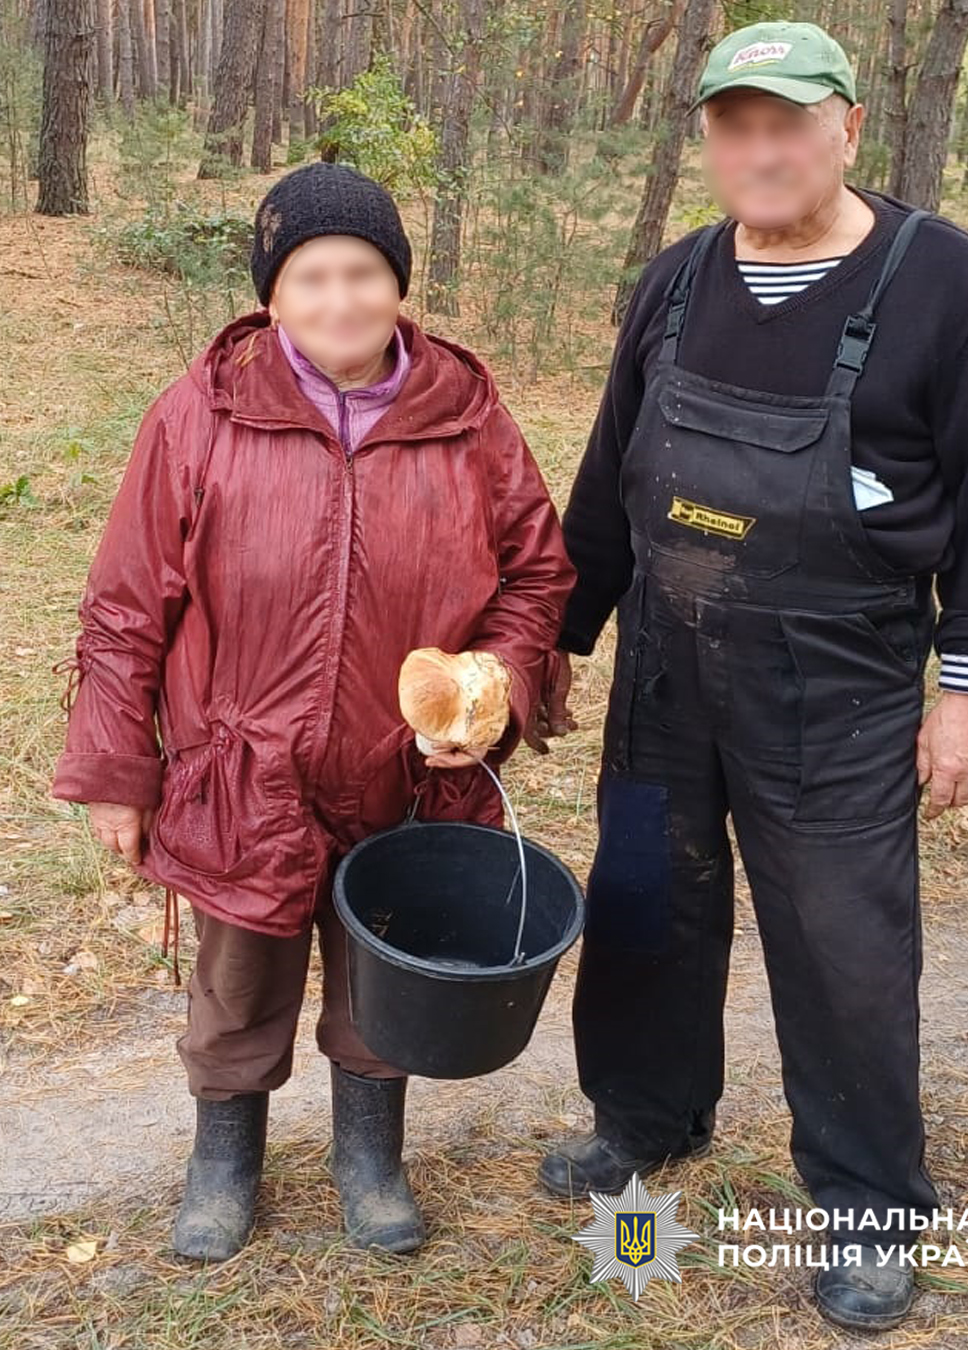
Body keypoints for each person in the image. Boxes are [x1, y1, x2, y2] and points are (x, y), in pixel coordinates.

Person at [531, 20, 968, 1332]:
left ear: (847, 128)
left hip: (837, 677)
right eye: (735, 126)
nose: (761, 151)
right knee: (645, 900)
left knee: (842, 942)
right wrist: (554, 641)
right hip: (664, 669)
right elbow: (609, 479)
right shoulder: (678, 280)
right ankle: (646, 1114)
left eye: (788, 124)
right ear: (709, 139)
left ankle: (869, 1201)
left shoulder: (942, 281)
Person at [50, 161, 576, 1262]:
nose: (342, 300)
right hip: (243, 766)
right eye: (313, 277)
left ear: (398, 283)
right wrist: (115, 772)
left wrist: (492, 687)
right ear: (274, 295)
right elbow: (125, 607)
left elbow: (537, 577)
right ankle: (223, 1159)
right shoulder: (200, 415)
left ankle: (368, 1157)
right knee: (239, 974)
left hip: (406, 766)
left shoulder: (467, 417)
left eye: (364, 273)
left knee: (389, 962)